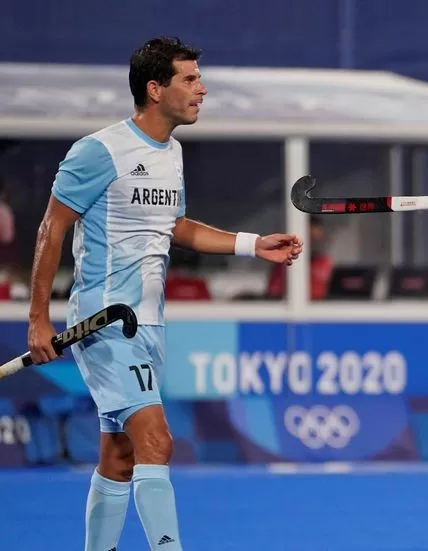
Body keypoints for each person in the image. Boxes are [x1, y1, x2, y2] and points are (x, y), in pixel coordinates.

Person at [26, 37, 302, 551]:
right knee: (156, 440)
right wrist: (38, 318)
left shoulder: (171, 153)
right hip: (105, 319)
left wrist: (252, 244)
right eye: (190, 79)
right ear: (155, 89)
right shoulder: (97, 151)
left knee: (120, 455)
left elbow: (174, 226)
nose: (202, 89)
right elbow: (51, 229)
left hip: (149, 322)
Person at [267, 216, 333, 300]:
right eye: (311, 238)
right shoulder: (284, 262)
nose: (314, 243)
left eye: (318, 239)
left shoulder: (325, 262)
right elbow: (274, 294)